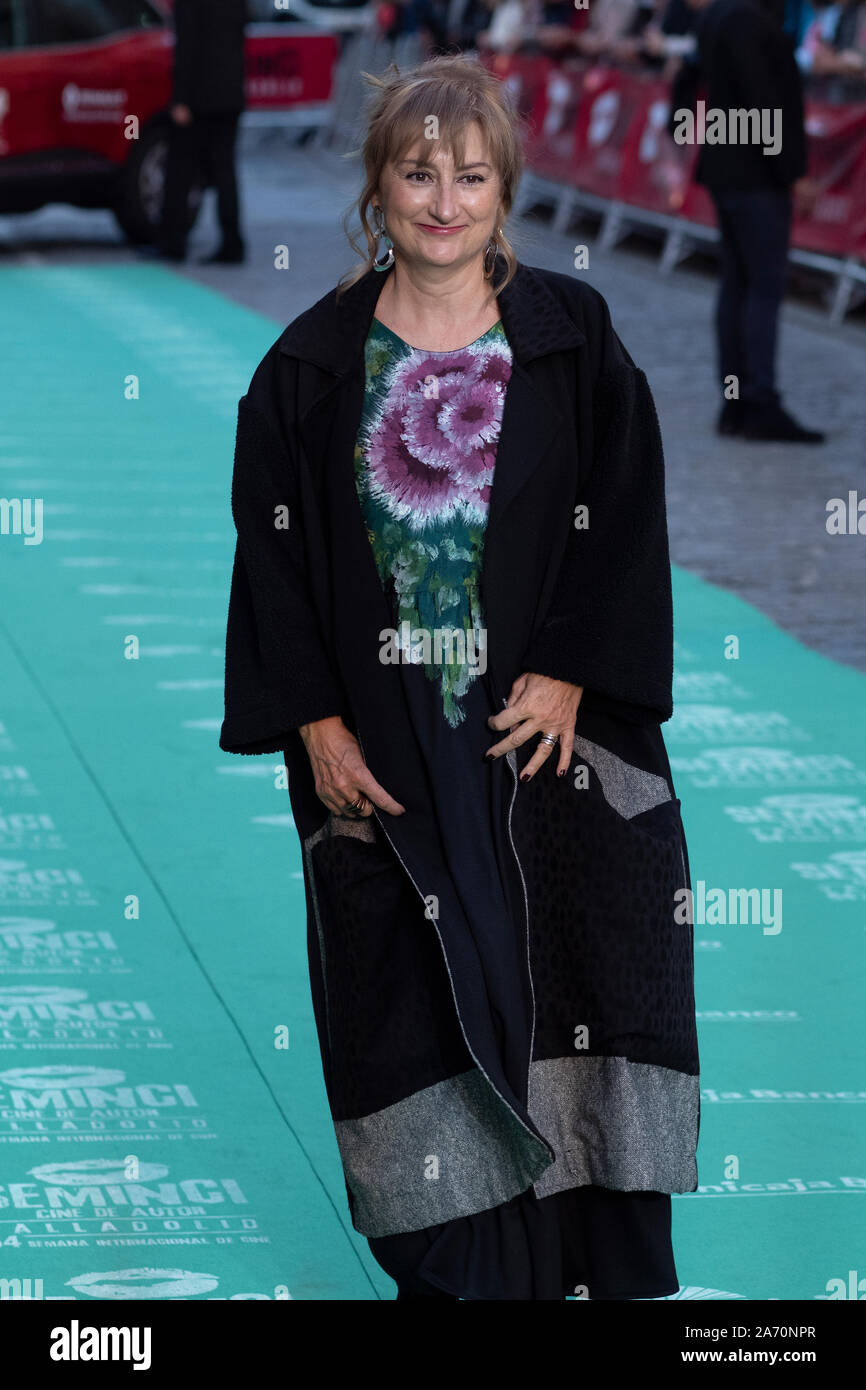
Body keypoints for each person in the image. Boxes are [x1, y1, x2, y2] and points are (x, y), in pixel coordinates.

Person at [219, 54, 699, 1301]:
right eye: (417, 173)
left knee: (568, 995)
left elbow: (625, 511)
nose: (443, 199)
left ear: (504, 192)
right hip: (387, 760)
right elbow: (269, 564)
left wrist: (567, 674)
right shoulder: (308, 373)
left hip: (538, 751)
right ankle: (466, 1276)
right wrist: (313, 723)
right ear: (376, 189)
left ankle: (576, 1264)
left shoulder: (569, 341)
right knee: (413, 1014)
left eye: (469, 176)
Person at [686, 0, 825, 441]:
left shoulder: (720, 17)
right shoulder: (746, 20)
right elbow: (764, 104)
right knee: (761, 286)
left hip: (732, 169)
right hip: (755, 176)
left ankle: (737, 402)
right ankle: (757, 401)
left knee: (739, 285)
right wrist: (793, 175)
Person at [158, 0, 247, 264]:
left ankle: (172, 242)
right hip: (229, 93)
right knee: (225, 172)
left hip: (199, 98)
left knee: (180, 170)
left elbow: (188, 44)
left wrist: (181, 98)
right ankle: (233, 243)